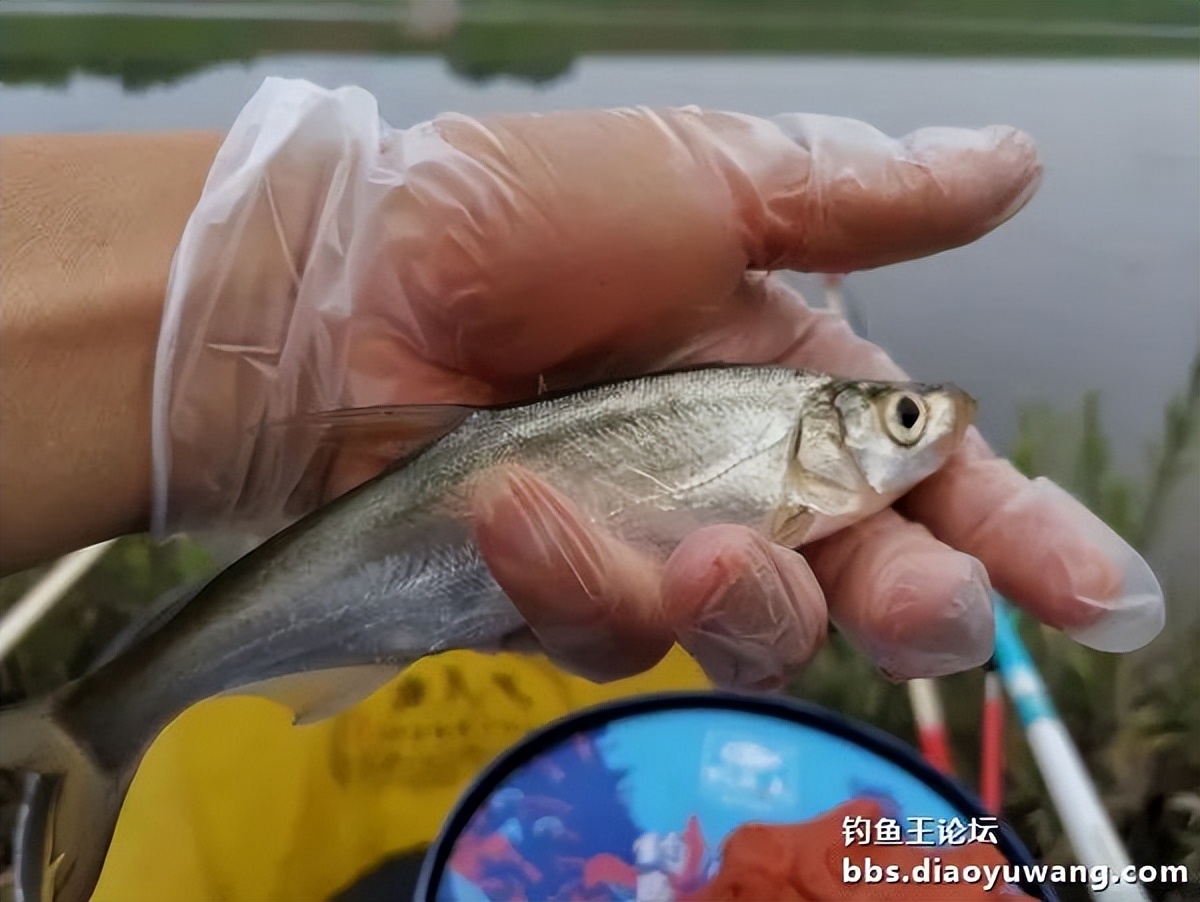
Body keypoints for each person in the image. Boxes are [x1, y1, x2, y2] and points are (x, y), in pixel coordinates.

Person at [0, 79, 1162, 694]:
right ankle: (107, 717)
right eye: (905, 419)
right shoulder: (784, 435)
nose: (925, 429)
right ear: (836, 431)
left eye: (909, 419)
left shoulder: (790, 439)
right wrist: (314, 267)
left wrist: (290, 288)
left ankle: (112, 710)